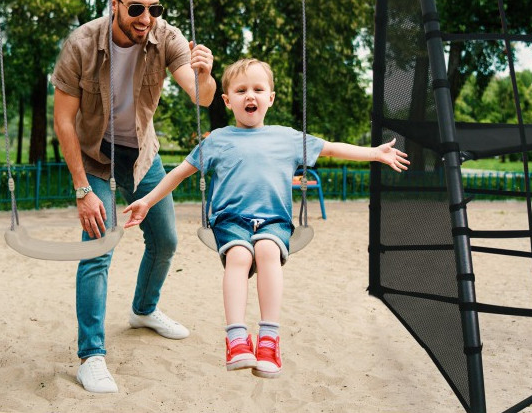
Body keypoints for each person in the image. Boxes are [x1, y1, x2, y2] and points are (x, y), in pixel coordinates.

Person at [122, 58, 409, 379]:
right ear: (227, 100)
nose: (250, 95)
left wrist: (374, 153)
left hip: (274, 221)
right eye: (241, 90)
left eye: (258, 89)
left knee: (267, 251)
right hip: (230, 220)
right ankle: (236, 339)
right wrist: (147, 200)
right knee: (239, 257)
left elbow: (331, 148)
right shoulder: (217, 140)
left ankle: (269, 339)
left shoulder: (287, 138)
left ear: (270, 98)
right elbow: (179, 173)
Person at [51, 0, 216, 394]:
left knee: (166, 240)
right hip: (94, 157)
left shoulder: (166, 37)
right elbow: (63, 121)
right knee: (99, 248)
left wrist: (205, 74)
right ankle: (91, 355)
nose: (146, 18)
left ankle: (143, 309)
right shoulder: (82, 44)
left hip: (142, 154)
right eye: (137, 8)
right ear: (115, 3)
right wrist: (82, 189)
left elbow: (201, 97)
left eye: (154, 8)